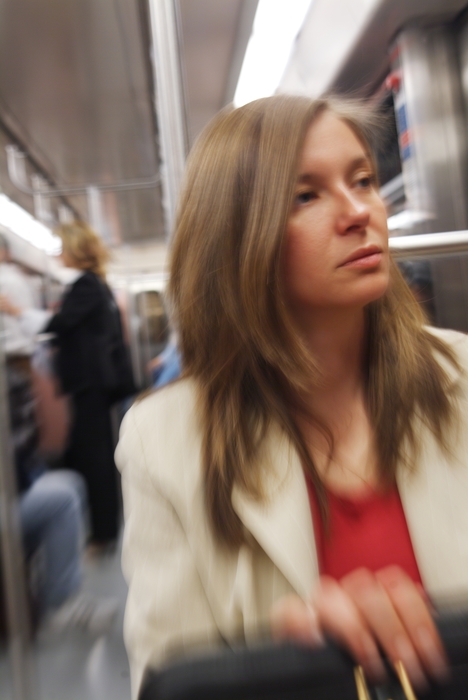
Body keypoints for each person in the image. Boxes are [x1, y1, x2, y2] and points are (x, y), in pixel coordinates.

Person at [116, 95, 466, 698]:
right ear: (238, 238)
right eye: (306, 196)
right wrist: (289, 670)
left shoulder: (460, 373)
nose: (360, 211)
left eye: (363, 180)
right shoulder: (164, 441)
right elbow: (171, 678)